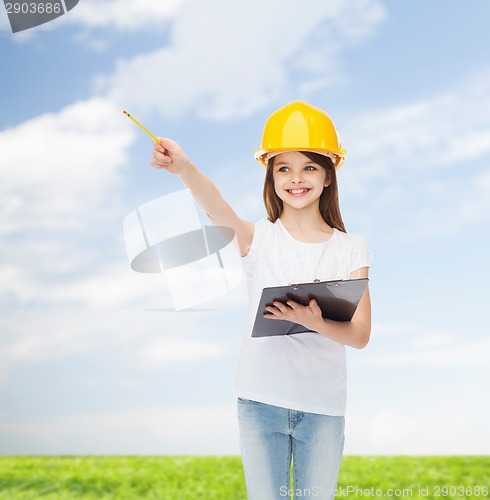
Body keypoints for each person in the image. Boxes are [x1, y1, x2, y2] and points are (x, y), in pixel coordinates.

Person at [151, 101, 371, 499]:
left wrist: (313, 320)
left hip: (323, 407)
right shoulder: (258, 238)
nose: (295, 178)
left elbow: (359, 336)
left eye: (308, 167)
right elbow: (215, 205)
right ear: (270, 176)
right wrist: (183, 166)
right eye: (283, 168)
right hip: (260, 400)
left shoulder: (351, 248)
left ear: (328, 175)